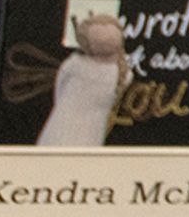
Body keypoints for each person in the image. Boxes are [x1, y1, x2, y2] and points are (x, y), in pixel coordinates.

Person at [35, 11, 130, 145]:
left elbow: (59, 89)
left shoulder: (75, 63)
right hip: (86, 130)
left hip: (63, 126)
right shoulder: (123, 73)